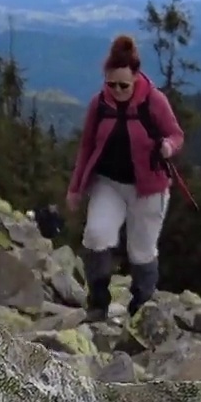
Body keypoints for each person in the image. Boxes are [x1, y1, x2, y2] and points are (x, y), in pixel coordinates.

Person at [66, 34, 185, 321]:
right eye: (111, 84)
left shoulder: (154, 101)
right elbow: (86, 146)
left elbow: (176, 134)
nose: (117, 90)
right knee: (96, 234)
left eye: (123, 85)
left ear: (136, 78)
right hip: (108, 183)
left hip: (148, 188)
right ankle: (97, 303)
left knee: (142, 251)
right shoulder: (99, 104)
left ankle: (140, 308)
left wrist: (168, 147)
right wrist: (75, 188)